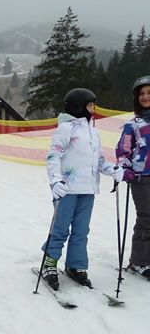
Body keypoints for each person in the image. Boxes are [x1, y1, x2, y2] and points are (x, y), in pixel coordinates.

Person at [42, 88, 124, 289]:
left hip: (88, 190)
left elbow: (100, 161)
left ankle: (75, 265)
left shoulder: (94, 132)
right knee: (60, 229)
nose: (93, 109)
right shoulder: (65, 129)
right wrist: (55, 181)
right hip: (67, 190)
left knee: (81, 230)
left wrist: (112, 169)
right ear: (78, 106)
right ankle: (49, 264)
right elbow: (54, 156)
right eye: (89, 105)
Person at [116, 76, 150, 278]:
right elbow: (123, 150)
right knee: (147, 218)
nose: (145, 97)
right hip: (141, 177)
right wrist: (125, 168)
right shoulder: (133, 124)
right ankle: (139, 261)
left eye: (149, 93)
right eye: (141, 94)